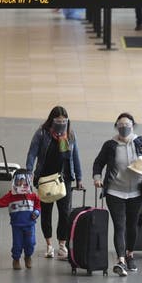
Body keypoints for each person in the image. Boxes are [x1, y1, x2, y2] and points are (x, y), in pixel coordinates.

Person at [92, 113, 142, 276]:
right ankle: (121, 260)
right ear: (117, 126)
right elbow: (98, 163)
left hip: (136, 191)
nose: (124, 128)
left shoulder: (139, 142)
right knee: (119, 225)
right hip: (114, 191)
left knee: (132, 225)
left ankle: (130, 254)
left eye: (127, 125)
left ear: (133, 126)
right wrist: (97, 178)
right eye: (121, 125)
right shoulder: (110, 145)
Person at [26, 106, 83, 260]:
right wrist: (29, 172)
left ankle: (62, 244)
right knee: (46, 212)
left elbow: (75, 156)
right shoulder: (41, 134)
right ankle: (49, 244)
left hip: (64, 179)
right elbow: (32, 153)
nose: (61, 124)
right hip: (45, 179)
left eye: (64, 121)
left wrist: (79, 177)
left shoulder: (69, 135)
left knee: (65, 212)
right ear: (51, 120)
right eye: (58, 121)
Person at [0, 169, 41, 270]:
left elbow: (38, 206)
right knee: (17, 244)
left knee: (30, 243)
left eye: (23, 180)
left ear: (28, 181)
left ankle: (28, 256)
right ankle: (16, 259)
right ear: (14, 181)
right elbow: (0, 202)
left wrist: (36, 212)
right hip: (17, 226)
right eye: (18, 180)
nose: (21, 183)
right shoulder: (11, 195)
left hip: (29, 224)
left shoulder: (33, 196)